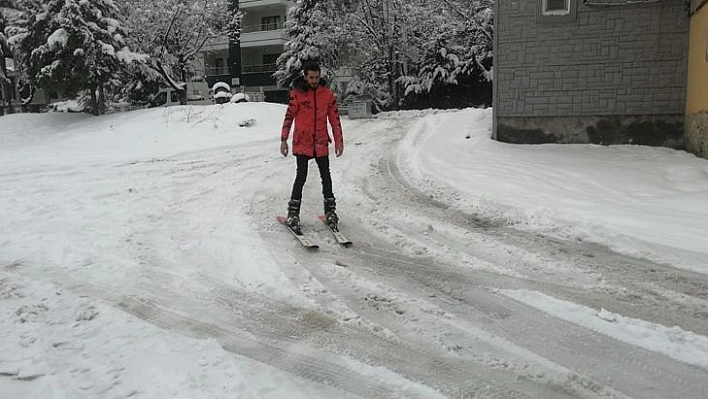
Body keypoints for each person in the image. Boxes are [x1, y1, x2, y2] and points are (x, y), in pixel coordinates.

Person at [280, 62, 344, 234]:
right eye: (311, 77)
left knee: (326, 176)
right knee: (301, 176)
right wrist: (283, 139)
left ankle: (330, 211)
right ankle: (293, 213)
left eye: (317, 77)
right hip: (303, 142)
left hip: (321, 142)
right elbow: (288, 117)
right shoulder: (298, 94)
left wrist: (339, 141)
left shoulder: (327, 95)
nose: (314, 80)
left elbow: (335, 120)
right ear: (305, 76)